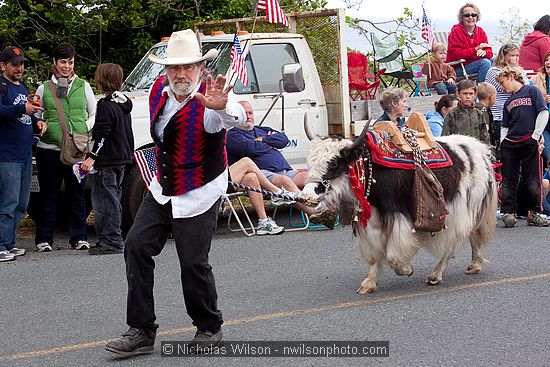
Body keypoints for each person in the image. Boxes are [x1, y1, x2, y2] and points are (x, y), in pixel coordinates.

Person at [105, 29, 246, 357]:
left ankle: (209, 327)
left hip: (199, 191)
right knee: (136, 246)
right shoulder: (157, 91)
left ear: (200, 67)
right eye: (174, 68)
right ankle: (141, 329)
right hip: (163, 187)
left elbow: (232, 117)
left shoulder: (211, 99)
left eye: (188, 67)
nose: (181, 74)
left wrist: (225, 109)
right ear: (166, 70)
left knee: (193, 263)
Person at [34, 44, 96, 252]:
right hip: (48, 149)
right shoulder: (44, 88)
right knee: (48, 195)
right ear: (54, 62)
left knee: (76, 194)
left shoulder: (83, 86)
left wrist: (83, 127)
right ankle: (44, 239)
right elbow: (35, 114)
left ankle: (79, 237)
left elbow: (94, 114)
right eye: (63, 62)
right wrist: (40, 123)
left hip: (76, 150)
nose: (66, 66)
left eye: (70, 62)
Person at [80, 63, 134, 255]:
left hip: (108, 161)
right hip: (122, 158)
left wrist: (92, 157)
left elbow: (102, 135)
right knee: (114, 198)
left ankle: (111, 240)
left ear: (101, 80)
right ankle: (113, 238)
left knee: (104, 201)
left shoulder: (105, 106)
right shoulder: (123, 104)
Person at [0, 46, 46, 262]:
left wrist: (37, 121)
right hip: (7, 155)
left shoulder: (21, 87)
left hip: (25, 153)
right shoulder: (2, 86)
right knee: (7, 203)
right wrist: (22, 110)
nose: (19, 68)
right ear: (3, 65)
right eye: (15, 64)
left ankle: (9, 243)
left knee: (21, 203)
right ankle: (1, 245)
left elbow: (27, 113)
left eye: (21, 64)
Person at [496, 65, 550, 227]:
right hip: (511, 143)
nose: (502, 87)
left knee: (532, 177)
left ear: (511, 76)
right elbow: (505, 125)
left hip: (529, 139)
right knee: (508, 179)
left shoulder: (531, 91)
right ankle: (508, 212)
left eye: (503, 82)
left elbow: (543, 112)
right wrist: (503, 141)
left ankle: (534, 212)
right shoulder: (508, 101)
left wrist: (535, 135)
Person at [228, 157, 291, 235]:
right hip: (213, 185)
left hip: (222, 180)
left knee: (251, 177)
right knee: (246, 161)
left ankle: (263, 221)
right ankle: (276, 192)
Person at [485, 43, 523, 146]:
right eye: (512, 55)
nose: (515, 58)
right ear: (504, 56)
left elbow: (526, 87)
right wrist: (513, 69)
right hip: (500, 115)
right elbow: (508, 89)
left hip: (517, 114)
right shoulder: (494, 71)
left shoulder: (518, 71)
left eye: (517, 55)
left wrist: (515, 70)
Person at [446, 3, 493, 83]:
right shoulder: (455, 32)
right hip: (457, 68)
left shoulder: (480, 31)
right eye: (467, 15)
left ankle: (497, 89)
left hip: (476, 63)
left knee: (497, 60)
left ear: (477, 17)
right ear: (462, 17)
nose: (471, 17)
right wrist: (476, 49)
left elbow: (489, 52)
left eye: (473, 15)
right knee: (485, 63)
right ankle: (481, 91)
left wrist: (484, 52)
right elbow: (456, 55)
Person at [442, 79, 489, 143]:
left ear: (475, 94)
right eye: (465, 93)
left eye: (471, 93)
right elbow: (445, 138)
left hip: (477, 150)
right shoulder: (452, 115)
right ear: (458, 94)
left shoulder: (478, 114)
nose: (468, 96)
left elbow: (485, 137)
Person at [530, 51, 550, 165]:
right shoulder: (536, 79)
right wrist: (543, 100)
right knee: (548, 155)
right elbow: (529, 100)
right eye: (546, 60)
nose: (548, 62)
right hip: (544, 122)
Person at [475, 82, 498, 150]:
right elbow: (486, 131)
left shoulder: (475, 109)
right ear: (492, 97)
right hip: (484, 148)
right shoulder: (483, 111)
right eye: (495, 96)